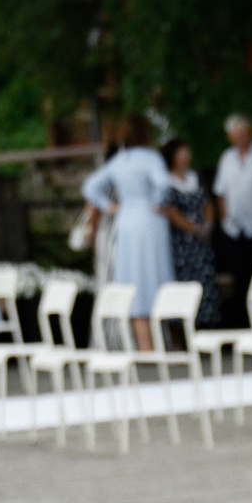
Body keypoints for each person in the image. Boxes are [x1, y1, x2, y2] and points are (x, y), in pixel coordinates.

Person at [81, 115, 176, 351]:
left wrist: (109, 206)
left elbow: (90, 187)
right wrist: (157, 201)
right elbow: (163, 185)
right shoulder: (151, 158)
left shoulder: (119, 160)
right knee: (154, 279)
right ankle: (161, 343)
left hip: (126, 221)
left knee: (134, 284)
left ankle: (146, 346)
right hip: (150, 219)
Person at [211, 113, 252, 328]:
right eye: (237, 135)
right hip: (234, 229)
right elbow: (221, 192)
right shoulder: (227, 158)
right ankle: (244, 325)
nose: (242, 138)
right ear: (230, 137)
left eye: (245, 133)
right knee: (240, 279)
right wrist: (225, 218)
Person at [159, 138, 220, 328]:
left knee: (205, 282)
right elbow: (170, 211)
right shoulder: (166, 181)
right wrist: (193, 228)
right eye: (182, 153)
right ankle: (184, 329)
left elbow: (207, 202)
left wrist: (208, 224)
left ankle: (207, 326)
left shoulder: (195, 177)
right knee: (184, 284)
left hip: (201, 242)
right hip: (181, 244)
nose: (187, 157)